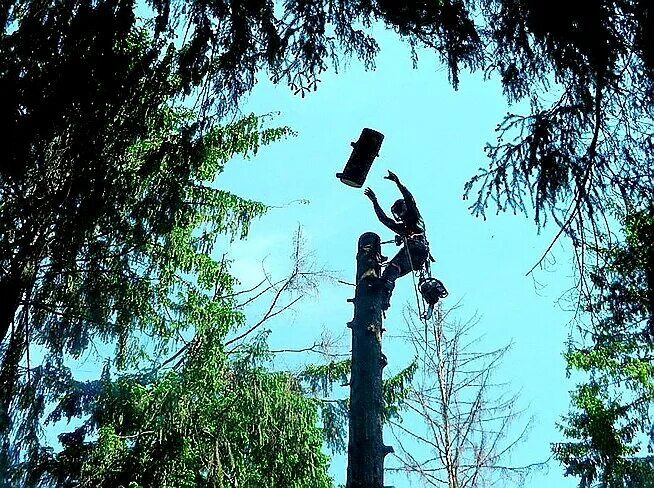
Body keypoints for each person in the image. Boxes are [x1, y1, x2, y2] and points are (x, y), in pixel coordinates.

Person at [364, 170, 431, 310]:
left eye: (399, 212)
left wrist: (397, 182)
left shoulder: (415, 218)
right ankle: (384, 297)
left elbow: (409, 198)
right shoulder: (404, 228)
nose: (398, 216)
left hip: (417, 250)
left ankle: (384, 291)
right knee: (390, 271)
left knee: (392, 269)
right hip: (416, 256)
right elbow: (385, 220)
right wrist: (375, 202)